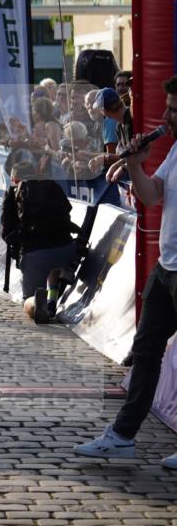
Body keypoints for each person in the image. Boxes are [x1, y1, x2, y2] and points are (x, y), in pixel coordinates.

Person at [75, 76, 177, 468]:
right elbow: (152, 195)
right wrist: (134, 164)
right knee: (147, 352)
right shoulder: (175, 150)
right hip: (166, 267)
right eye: (167, 107)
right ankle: (122, 435)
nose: (165, 116)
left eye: (173, 109)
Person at [1, 151, 80, 324]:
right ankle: (52, 300)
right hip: (66, 249)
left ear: (15, 179)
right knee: (52, 264)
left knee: (28, 301)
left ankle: (37, 302)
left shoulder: (13, 194)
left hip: (35, 255)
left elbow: (6, 233)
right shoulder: (51, 185)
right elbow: (68, 209)